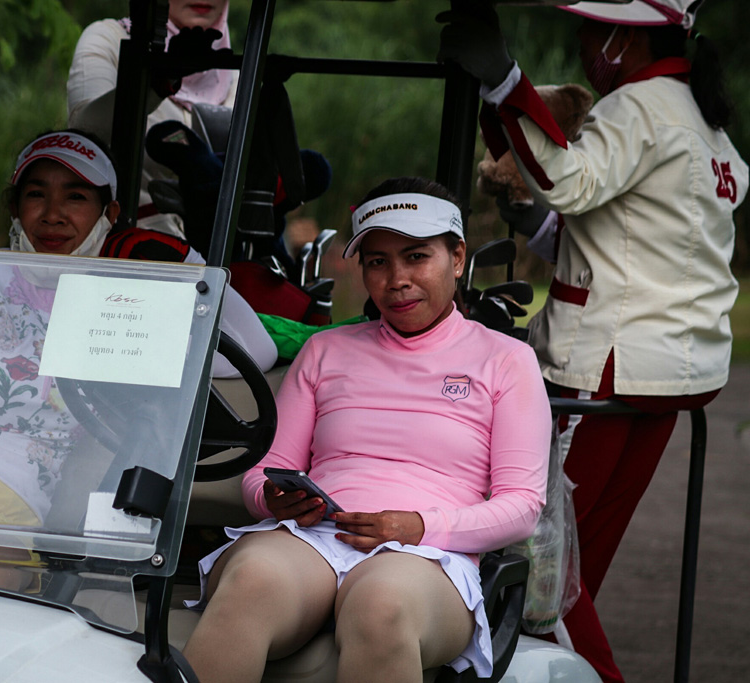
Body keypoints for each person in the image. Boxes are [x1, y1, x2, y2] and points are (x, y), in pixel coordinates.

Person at [438, 1, 747, 680]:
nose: (581, 41)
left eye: (589, 26)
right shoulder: (700, 120)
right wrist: (538, 225)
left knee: (538, 573)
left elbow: (571, 184)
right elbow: (640, 249)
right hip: (667, 374)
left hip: (603, 367)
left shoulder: (636, 109)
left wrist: (504, 79)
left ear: (621, 37)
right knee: (580, 568)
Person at [181, 177, 551, 683]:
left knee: (382, 603)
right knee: (250, 580)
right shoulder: (325, 350)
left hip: (429, 554)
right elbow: (264, 471)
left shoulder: (507, 360)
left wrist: (417, 526)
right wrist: (273, 500)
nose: (396, 279)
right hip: (311, 538)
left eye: (416, 257)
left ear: (457, 257)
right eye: (378, 262)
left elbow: (522, 506)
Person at [0, 129, 276, 538]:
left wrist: (189, 264)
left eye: (76, 197)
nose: (53, 215)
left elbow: (255, 351)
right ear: (15, 207)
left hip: (8, 489)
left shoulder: (128, 305)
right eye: (37, 194)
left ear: (110, 213)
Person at [67, 0, 235, 238]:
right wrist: (158, 83)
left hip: (220, 256)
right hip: (126, 250)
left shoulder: (238, 72)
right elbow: (82, 135)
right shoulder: (109, 39)